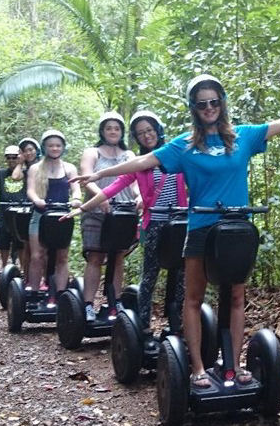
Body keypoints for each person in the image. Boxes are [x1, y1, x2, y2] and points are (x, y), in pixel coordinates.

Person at [66, 74, 280, 388]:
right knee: (193, 298)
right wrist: (100, 173)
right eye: (202, 104)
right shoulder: (184, 146)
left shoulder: (242, 137)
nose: (209, 107)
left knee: (236, 296)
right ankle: (197, 366)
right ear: (194, 109)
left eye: (214, 102)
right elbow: (144, 160)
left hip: (236, 228)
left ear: (221, 104)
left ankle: (235, 365)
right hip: (200, 227)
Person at [68, 110, 188, 329]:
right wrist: (84, 207)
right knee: (150, 275)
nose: (146, 135)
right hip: (155, 224)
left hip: (180, 223)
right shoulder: (140, 163)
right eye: (141, 133)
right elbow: (115, 186)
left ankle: (176, 324)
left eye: (150, 130)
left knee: (180, 277)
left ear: (158, 130)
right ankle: (142, 327)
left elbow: (198, 178)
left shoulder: (177, 154)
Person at [78, 112, 140, 322]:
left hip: (123, 213)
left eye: (117, 128)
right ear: (102, 131)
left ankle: (115, 302)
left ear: (122, 132)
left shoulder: (129, 155)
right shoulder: (92, 152)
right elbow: (86, 177)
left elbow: (134, 181)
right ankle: (87, 304)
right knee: (95, 257)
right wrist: (99, 196)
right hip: (97, 212)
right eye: (109, 128)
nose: (113, 132)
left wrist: (139, 196)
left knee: (118, 257)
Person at [25, 130, 82, 305]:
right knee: (37, 255)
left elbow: (76, 188)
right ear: (44, 147)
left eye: (58, 145)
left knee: (62, 256)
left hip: (63, 216)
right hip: (41, 216)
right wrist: (37, 200)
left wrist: (77, 199)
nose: (55, 148)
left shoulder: (69, 168)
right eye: (51, 145)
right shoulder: (35, 168)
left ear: (63, 147)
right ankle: (34, 293)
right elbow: (30, 190)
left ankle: (60, 295)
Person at [0, 144, 25, 268]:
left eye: (14, 157)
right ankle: (4, 267)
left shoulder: (26, 173)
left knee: (21, 242)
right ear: (6, 159)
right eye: (9, 157)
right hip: (4, 212)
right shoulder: (1, 173)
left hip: (22, 212)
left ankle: (23, 270)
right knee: (3, 241)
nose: (11, 160)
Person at [9, 137, 39, 285]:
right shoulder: (25, 169)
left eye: (30, 149)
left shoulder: (44, 165)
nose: (28, 153)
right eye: (24, 151)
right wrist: (20, 162)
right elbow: (15, 177)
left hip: (44, 207)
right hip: (29, 209)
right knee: (27, 247)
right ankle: (28, 279)